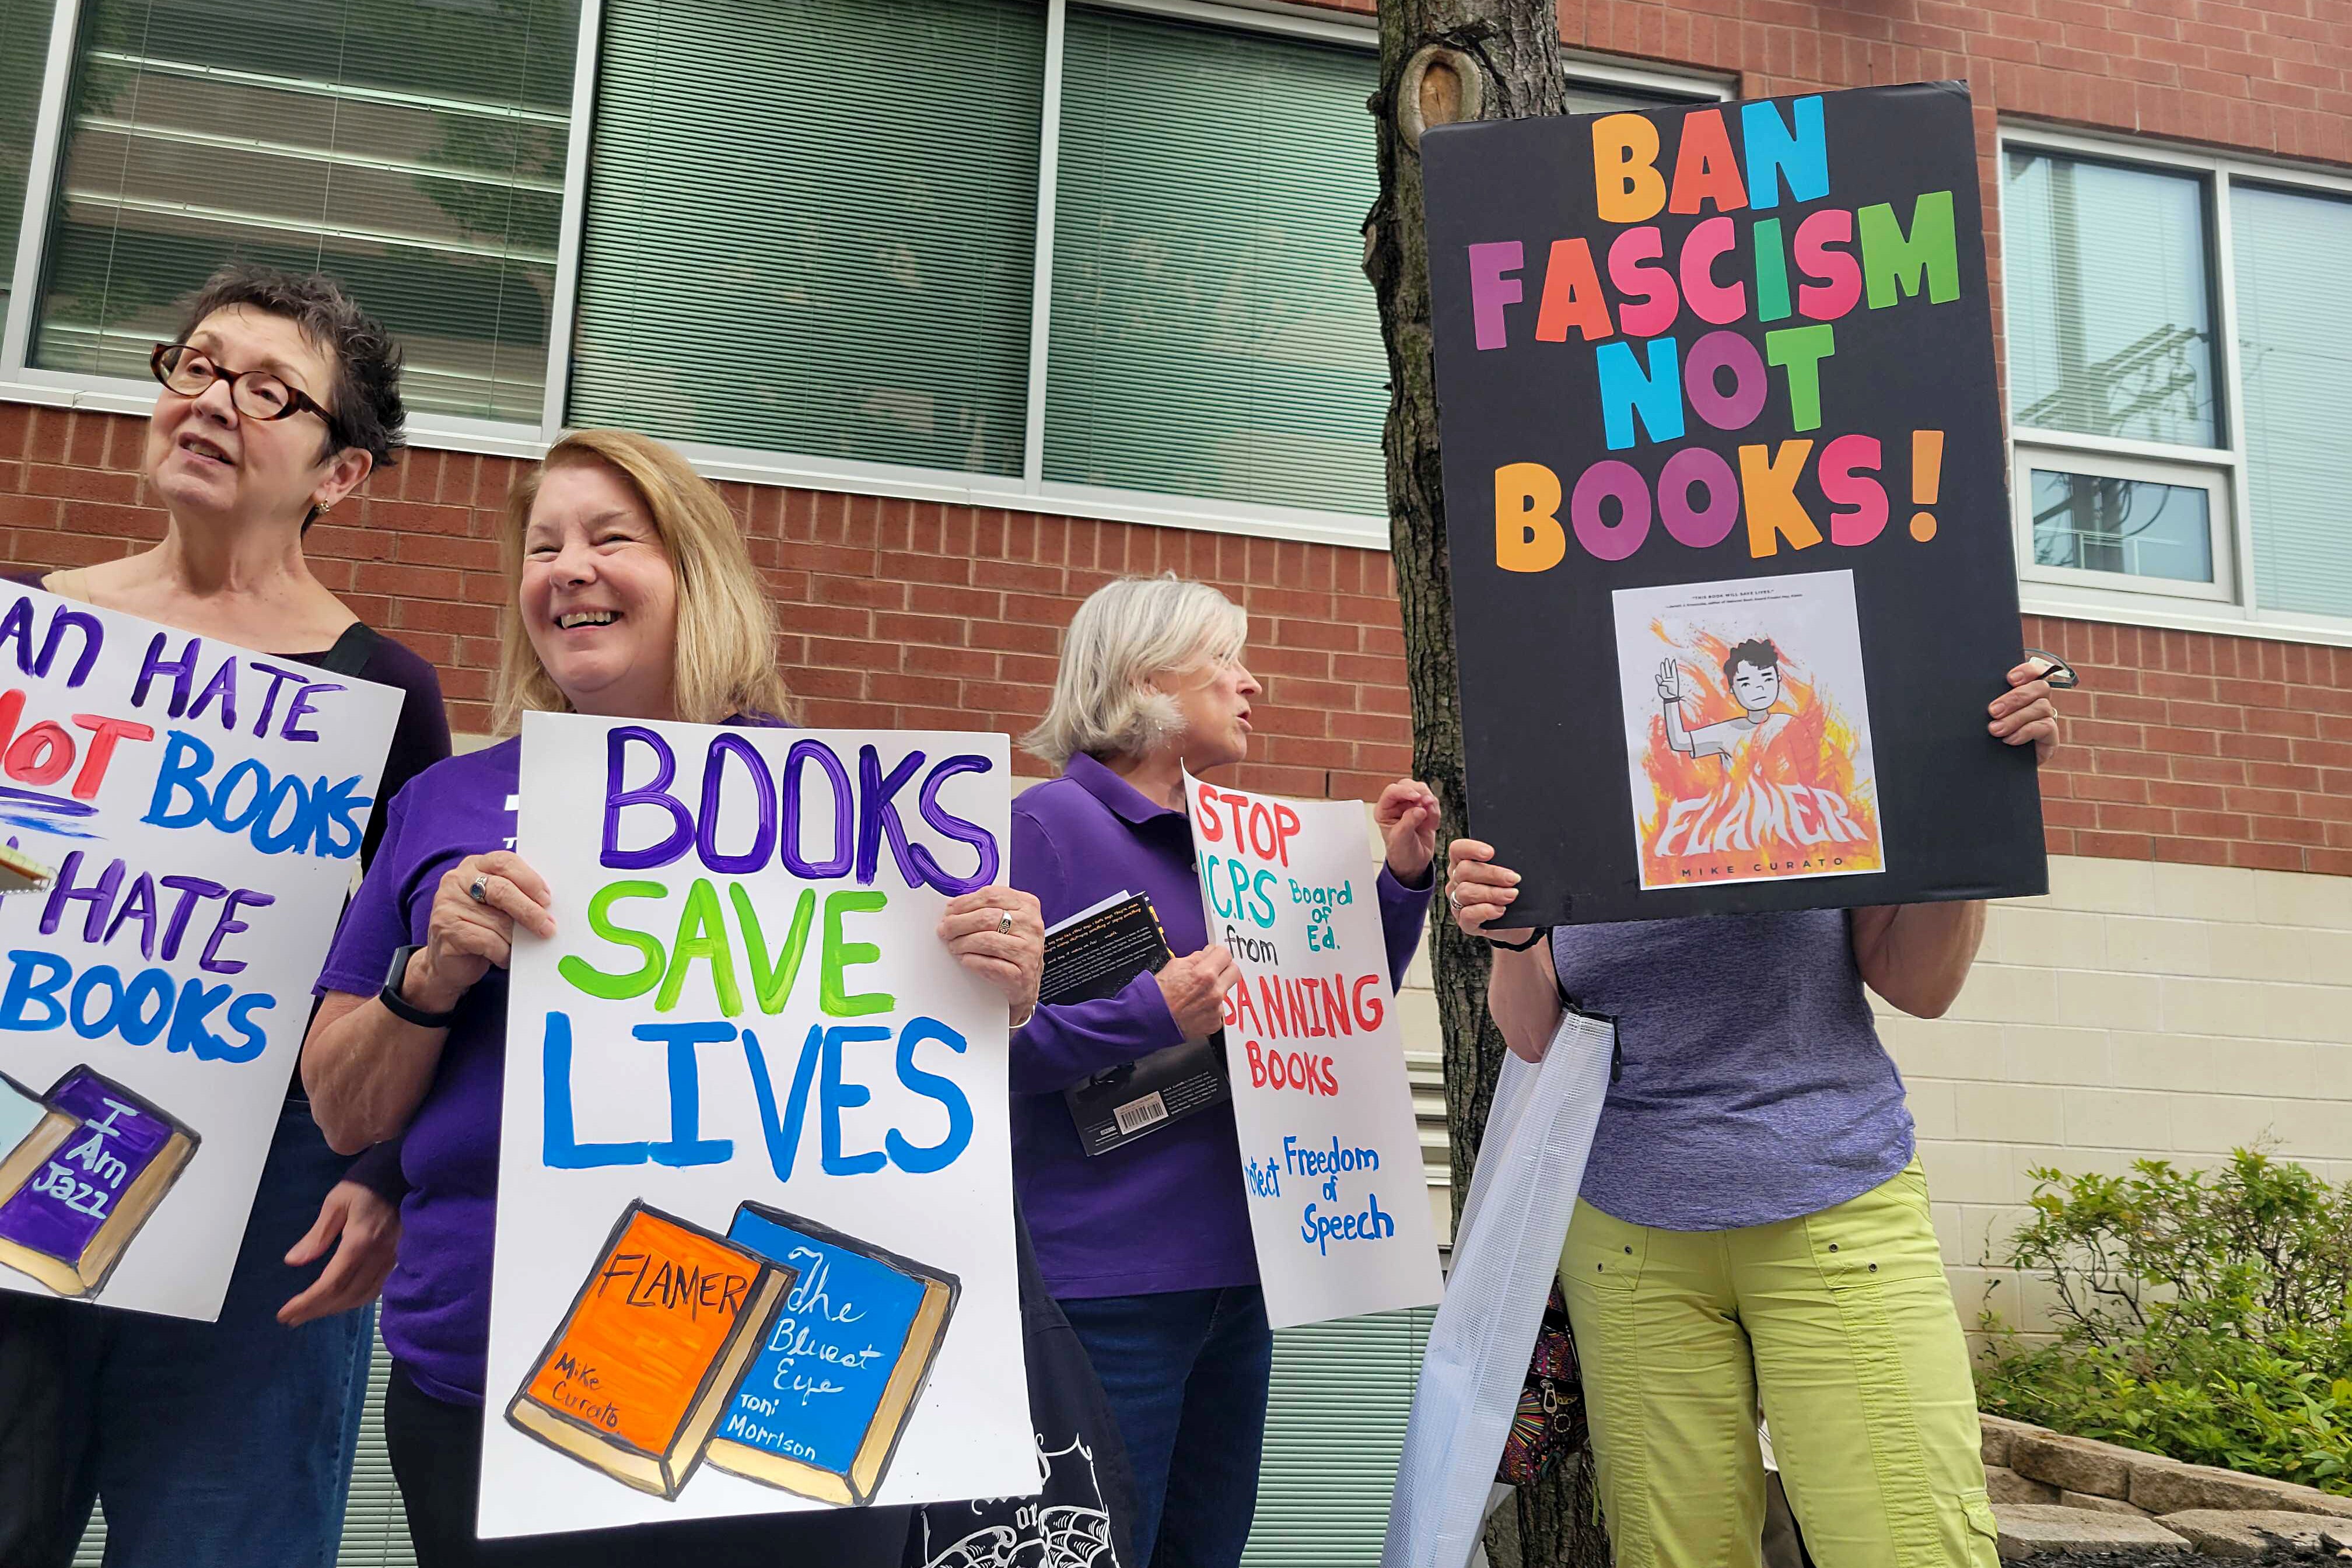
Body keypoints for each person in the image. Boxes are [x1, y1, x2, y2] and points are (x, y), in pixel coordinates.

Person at [299, 429, 1045, 1568]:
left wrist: (999, 989)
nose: (568, 568)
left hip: (792, 1386)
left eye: (611, 537)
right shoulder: (446, 808)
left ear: (695, 573)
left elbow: (927, 1096)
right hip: (505, 1379)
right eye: (542, 547)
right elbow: (344, 1114)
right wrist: (428, 982)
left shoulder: (866, 819)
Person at [0, 264, 451, 1568]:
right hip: (18, 1174)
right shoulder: (27, 627)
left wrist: (380, 1177)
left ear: (340, 474)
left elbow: (416, 978)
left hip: (259, 1235)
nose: (211, 403)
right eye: (194, 367)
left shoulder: (388, 697)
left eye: (267, 391)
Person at [1445, 659, 2068, 1568]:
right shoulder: (1561, 778)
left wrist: (1976, 805)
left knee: (1906, 1544)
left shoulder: (1831, 747)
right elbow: (1536, 1035)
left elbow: (1920, 987)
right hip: (1628, 1237)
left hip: (1840, 1210)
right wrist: (1514, 942)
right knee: (1674, 1554)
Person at [1011, 573, 1438, 1567]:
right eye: (1225, 661)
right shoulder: (1049, 828)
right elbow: (977, 1051)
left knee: (1206, 1549)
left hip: (1244, 1278)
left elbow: (1332, 1013)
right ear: (1148, 675)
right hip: (1107, 1289)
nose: (1252, 685)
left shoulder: (1242, 844)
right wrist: (1144, 1014)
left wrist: (1400, 880)